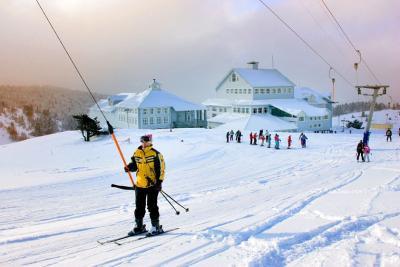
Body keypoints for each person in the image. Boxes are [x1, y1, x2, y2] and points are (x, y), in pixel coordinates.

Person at [124, 135, 165, 235]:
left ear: (150, 142)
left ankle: (156, 227)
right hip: (139, 184)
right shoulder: (136, 152)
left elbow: (161, 169)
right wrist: (129, 167)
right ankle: (139, 226)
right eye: (142, 141)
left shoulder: (156, 154)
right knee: (139, 207)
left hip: (152, 185)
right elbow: (134, 165)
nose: (144, 143)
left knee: (152, 206)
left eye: (147, 141)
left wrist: (159, 182)